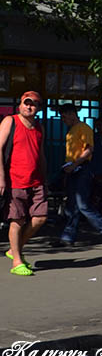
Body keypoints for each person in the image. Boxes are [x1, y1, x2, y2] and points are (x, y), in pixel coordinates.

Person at [52, 104, 102, 248]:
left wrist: (74, 165)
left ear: (71, 114)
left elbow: (89, 150)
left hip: (82, 169)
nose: (62, 120)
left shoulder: (83, 128)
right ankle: (68, 237)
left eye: (63, 116)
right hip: (73, 169)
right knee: (72, 205)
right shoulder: (71, 131)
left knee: (82, 205)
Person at [1, 92, 48, 276]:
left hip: (36, 181)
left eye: (34, 104)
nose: (30, 107)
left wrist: (45, 179)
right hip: (15, 180)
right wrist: (1, 177)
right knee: (17, 220)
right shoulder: (10, 122)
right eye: (27, 103)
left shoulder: (39, 127)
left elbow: (41, 154)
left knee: (40, 218)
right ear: (20, 104)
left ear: (39, 108)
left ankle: (15, 249)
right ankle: (17, 262)